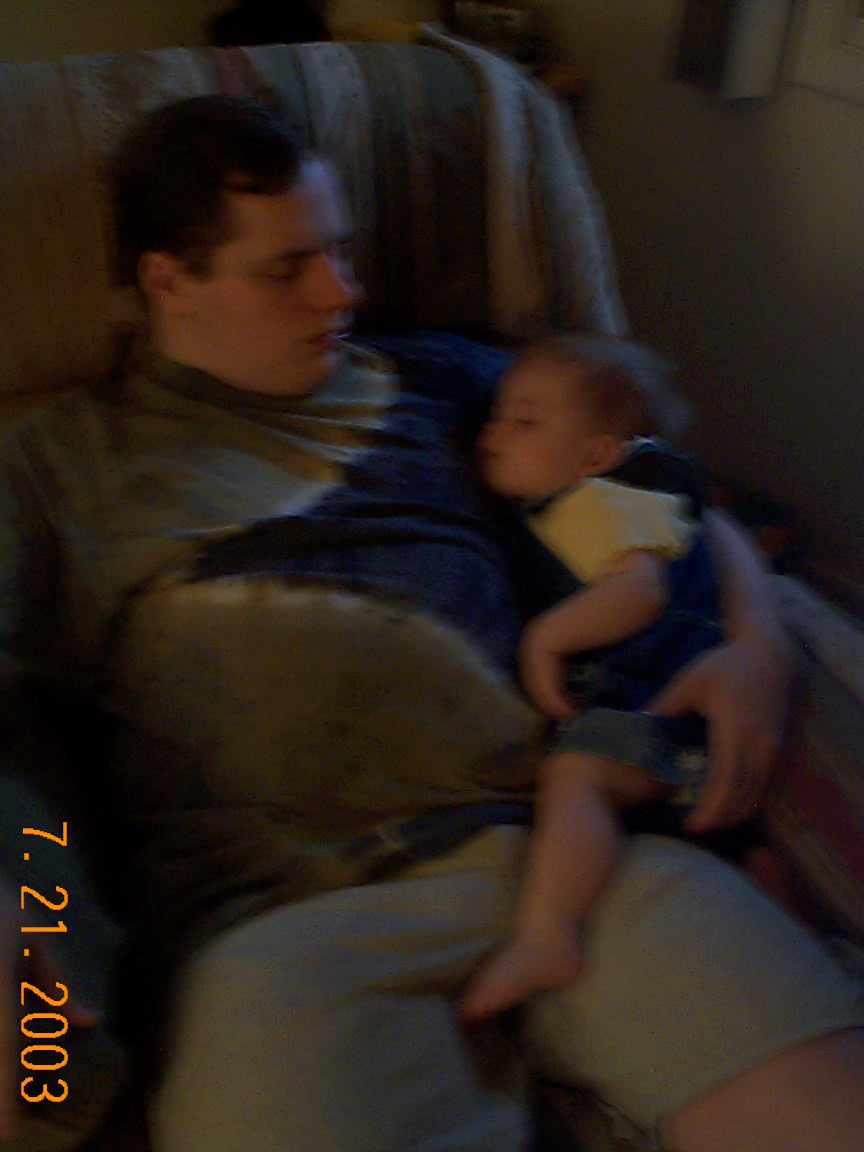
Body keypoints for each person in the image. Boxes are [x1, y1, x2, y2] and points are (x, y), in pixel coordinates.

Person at [0, 95, 861, 1152]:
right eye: (289, 268)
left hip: (567, 851)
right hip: (289, 932)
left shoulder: (449, 378)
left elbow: (654, 484)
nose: (342, 291)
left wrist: (756, 647)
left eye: (341, 251)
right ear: (169, 281)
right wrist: (19, 894)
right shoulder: (58, 466)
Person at [459, 334, 724, 1021]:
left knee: (575, 776)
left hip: (663, 715)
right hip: (659, 726)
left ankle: (548, 936)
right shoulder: (565, 510)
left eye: (525, 421)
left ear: (596, 456)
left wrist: (546, 638)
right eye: (497, 414)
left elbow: (640, 592)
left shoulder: (599, 505)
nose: (494, 431)